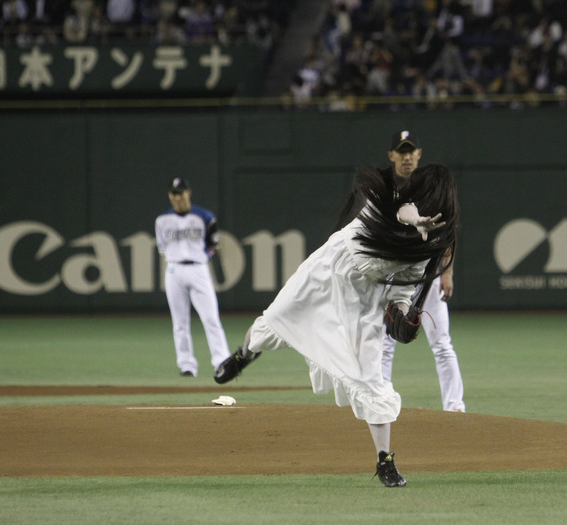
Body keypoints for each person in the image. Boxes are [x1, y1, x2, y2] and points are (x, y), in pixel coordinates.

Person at [213, 163, 459, 487]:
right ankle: (244, 354)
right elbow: (404, 210)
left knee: (370, 376)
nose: (432, 212)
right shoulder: (392, 203)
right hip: (327, 270)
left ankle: (385, 460)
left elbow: (402, 290)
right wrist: (415, 219)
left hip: (363, 298)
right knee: (272, 322)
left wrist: (400, 314)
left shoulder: (425, 249)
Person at [380, 131, 466, 413]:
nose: (406, 157)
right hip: (396, 276)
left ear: (419, 154)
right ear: (392, 155)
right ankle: (380, 401)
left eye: (411, 151)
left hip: (429, 276)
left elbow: (448, 232)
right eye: (401, 151)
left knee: (442, 344)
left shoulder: (432, 188)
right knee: (386, 342)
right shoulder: (386, 190)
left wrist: (447, 273)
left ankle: (454, 408)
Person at [155, 177, 230, 377]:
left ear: (189, 192)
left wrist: (204, 257)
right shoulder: (162, 220)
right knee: (179, 322)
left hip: (198, 269)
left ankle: (221, 362)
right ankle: (186, 365)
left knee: (211, 319)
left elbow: (214, 244)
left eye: (180, 193)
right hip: (174, 270)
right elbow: (162, 248)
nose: (177, 197)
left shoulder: (204, 216)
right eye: (174, 194)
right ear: (170, 195)